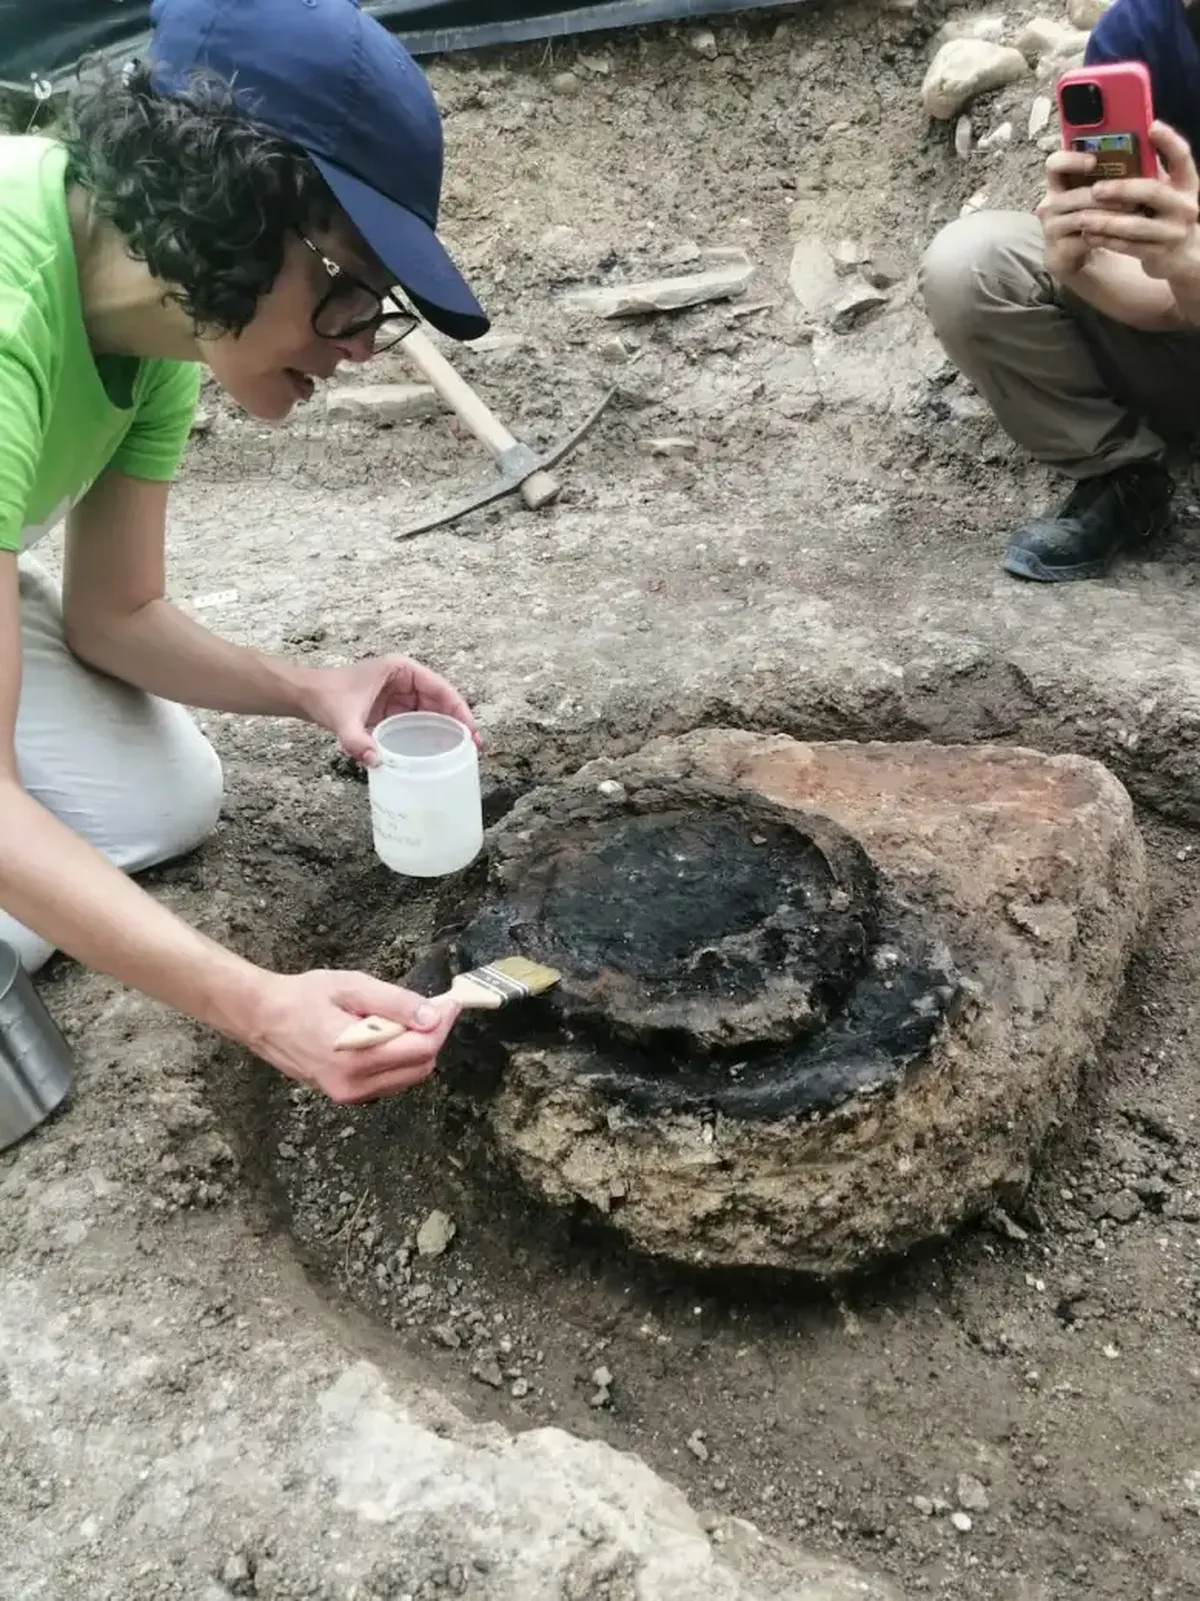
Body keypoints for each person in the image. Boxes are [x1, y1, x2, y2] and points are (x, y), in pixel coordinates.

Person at [0, 0, 493, 1106]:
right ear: (239, 203)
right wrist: (261, 1007)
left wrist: (316, 691)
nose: (366, 343)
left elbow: (112, 616)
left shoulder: (163, 323)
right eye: (354, 287)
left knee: (160, 798)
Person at [920, 0, 1200, 583]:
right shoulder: (1142, 30)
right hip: (1177, 338)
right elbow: (1160, 291)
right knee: (973, 265)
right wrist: (1080, 267)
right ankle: (1125, 474)